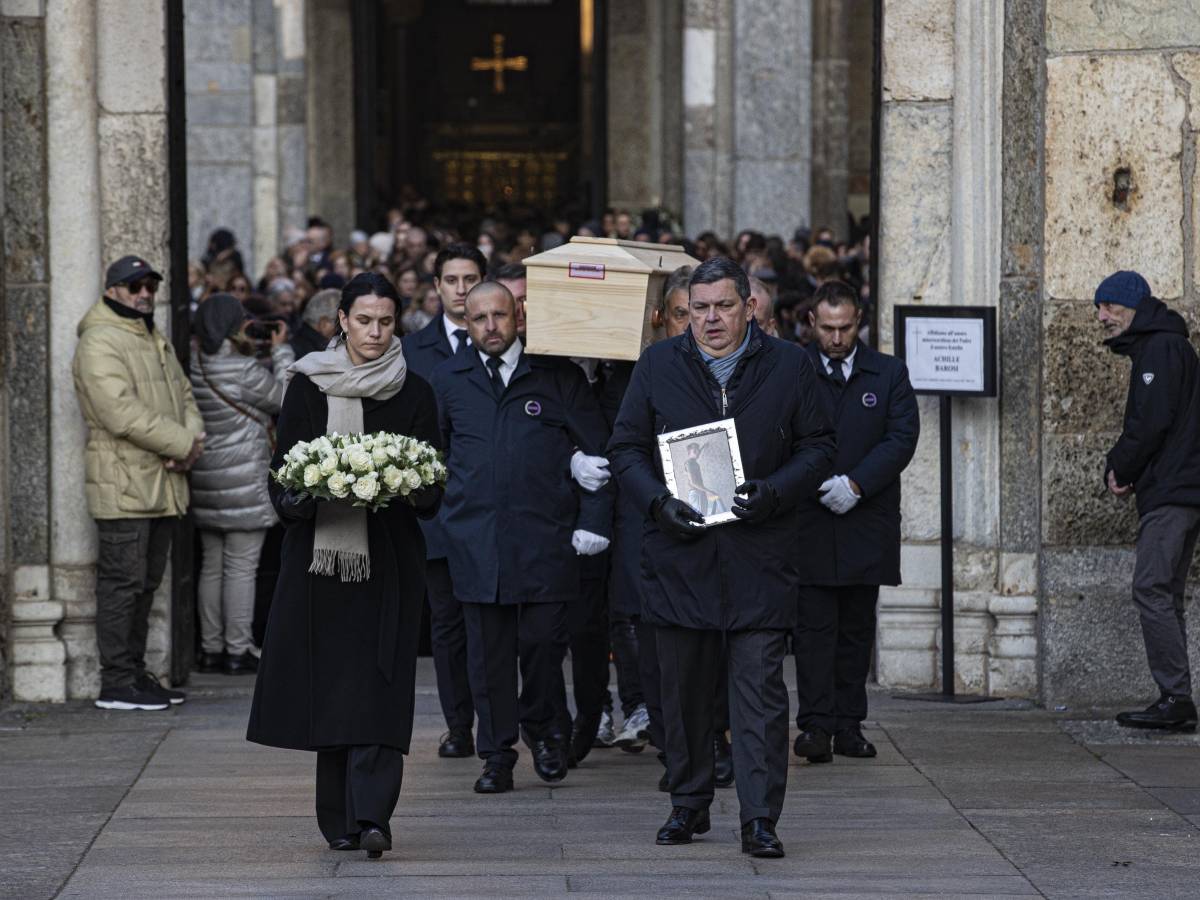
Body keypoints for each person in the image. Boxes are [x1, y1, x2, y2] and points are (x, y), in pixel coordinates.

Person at [609, 256, 835, 857]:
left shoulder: (789, 365)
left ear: (750, 307)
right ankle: (688, 805)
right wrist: (657, 504)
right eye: (700, 308)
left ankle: (760, 818)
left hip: (759, 558)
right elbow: (625, 448)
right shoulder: (659, 363)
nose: (710, 319)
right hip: (679, 558)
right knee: (681, 694)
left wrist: (777, 490)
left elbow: (819, 446)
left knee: (759, 694)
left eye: (724, 307)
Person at [247, 272, 443, 859]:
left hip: (388, 563)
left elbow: (432, 494)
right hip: (319, 565)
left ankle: (375, 816)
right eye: (364, 320)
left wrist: (396, 480)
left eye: (386, 321)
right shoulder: (307, 387)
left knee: (380, 683)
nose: (376, 332)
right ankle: (338, 818)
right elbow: (283, 480)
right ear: (342, 321)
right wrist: (312, 490)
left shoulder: (416, 393)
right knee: (333, 686)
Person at [432, 282, 613, 794]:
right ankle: (496, 755)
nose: (490, 326)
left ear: (519, 316)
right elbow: (433, 458)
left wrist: (593, 522)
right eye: (479, 318)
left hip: (546, 538)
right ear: (466, 323)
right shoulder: (448, 380)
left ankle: (547, 735)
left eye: (500, 315)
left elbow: (599, 455)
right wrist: (447, 519)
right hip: (475, 541)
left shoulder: (556, 377)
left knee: (541, 646)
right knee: (487, 656)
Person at [792, 280, 919, 762]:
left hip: (866, 518)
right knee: (813, 630)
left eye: (845, 328)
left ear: (859, 322)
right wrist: (817, 480)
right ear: (812, 323)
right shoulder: (794, 368)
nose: (837, 338)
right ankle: (815, 726)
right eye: (828, 328)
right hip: (811, 516)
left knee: (855, 629)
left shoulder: (887, 373)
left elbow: (901, 437)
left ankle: (849, 724)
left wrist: (857, 484)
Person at [73, 255, 204, 711]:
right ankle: (116, 681)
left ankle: (133, 674)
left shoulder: (150, 334)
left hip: (160, 480)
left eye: (149, 284)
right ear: (113, 291)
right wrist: (182, 443)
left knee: (146, 584)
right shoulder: (100, 340)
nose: (144, 292)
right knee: (121, 584)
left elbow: (183, 394)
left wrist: (188, 439)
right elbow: (119, 412)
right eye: (134, 286)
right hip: (124, 481)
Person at [1097, 271, 1200, 732]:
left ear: (1134, 306)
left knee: (1151, 587)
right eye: (1100, 308)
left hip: (1173, 492)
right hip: (1181, 488)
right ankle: (1176, 696)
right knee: (1165, 592)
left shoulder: (1159, 348)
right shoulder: (1164, 345)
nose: (1101, 317)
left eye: (1109, 307)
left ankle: (1176, 698)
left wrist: (1120, 467)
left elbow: (1150, 422)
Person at [400, 243, 486, 759]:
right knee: (448, 624)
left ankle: (502, 719)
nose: (461, 289)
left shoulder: (501, 340)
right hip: (436, 510)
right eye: (451, 280)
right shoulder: (412, 350)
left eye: (470, 278)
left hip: (488, 506)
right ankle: (459, 725)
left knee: (494, 620)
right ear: (436, 287)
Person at [189, 294, 295, 676]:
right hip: (243, 480)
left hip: (206, 477)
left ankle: (210, 648)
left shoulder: (194, 363)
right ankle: (238, 649)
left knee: (212, 565)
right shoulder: (241, 369)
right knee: (241, 567)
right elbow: (284, 396)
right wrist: (281, 352)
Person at [291, 288, 340, 359]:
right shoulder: (319, 356)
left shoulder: (294, 343)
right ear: (324, 324)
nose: (343, 329)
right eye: (340, 323)